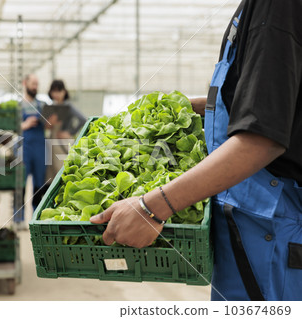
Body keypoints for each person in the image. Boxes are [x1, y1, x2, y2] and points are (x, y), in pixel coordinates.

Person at [91, 0, 301, 301]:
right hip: (247, 220)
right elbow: (268, 98)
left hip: (273, 230)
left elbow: (261, 139)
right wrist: (183, 108)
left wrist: (152, 207)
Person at [15, 74, 51, 229]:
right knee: (20, 184)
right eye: (33, 84)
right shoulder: (18, 107)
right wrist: (24, 125)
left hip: (40, 149)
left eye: (37, 84)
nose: (35, 87)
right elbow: (10, 129)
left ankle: (36, 217)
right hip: (24, 148)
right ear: (25, 83)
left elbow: (50, 126)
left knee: (39, 185)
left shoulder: (42, 105)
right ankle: (18, 219)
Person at [45, 79, 86, 183]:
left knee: (62, 172)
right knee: (51, 175)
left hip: (62, 144)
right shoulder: (51, 107)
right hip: (51, 143)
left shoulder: (68, 106)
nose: (56, 94)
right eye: (54, 91)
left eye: (59, 91)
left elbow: (83, 119)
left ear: (64, 92)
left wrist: (70, 132)